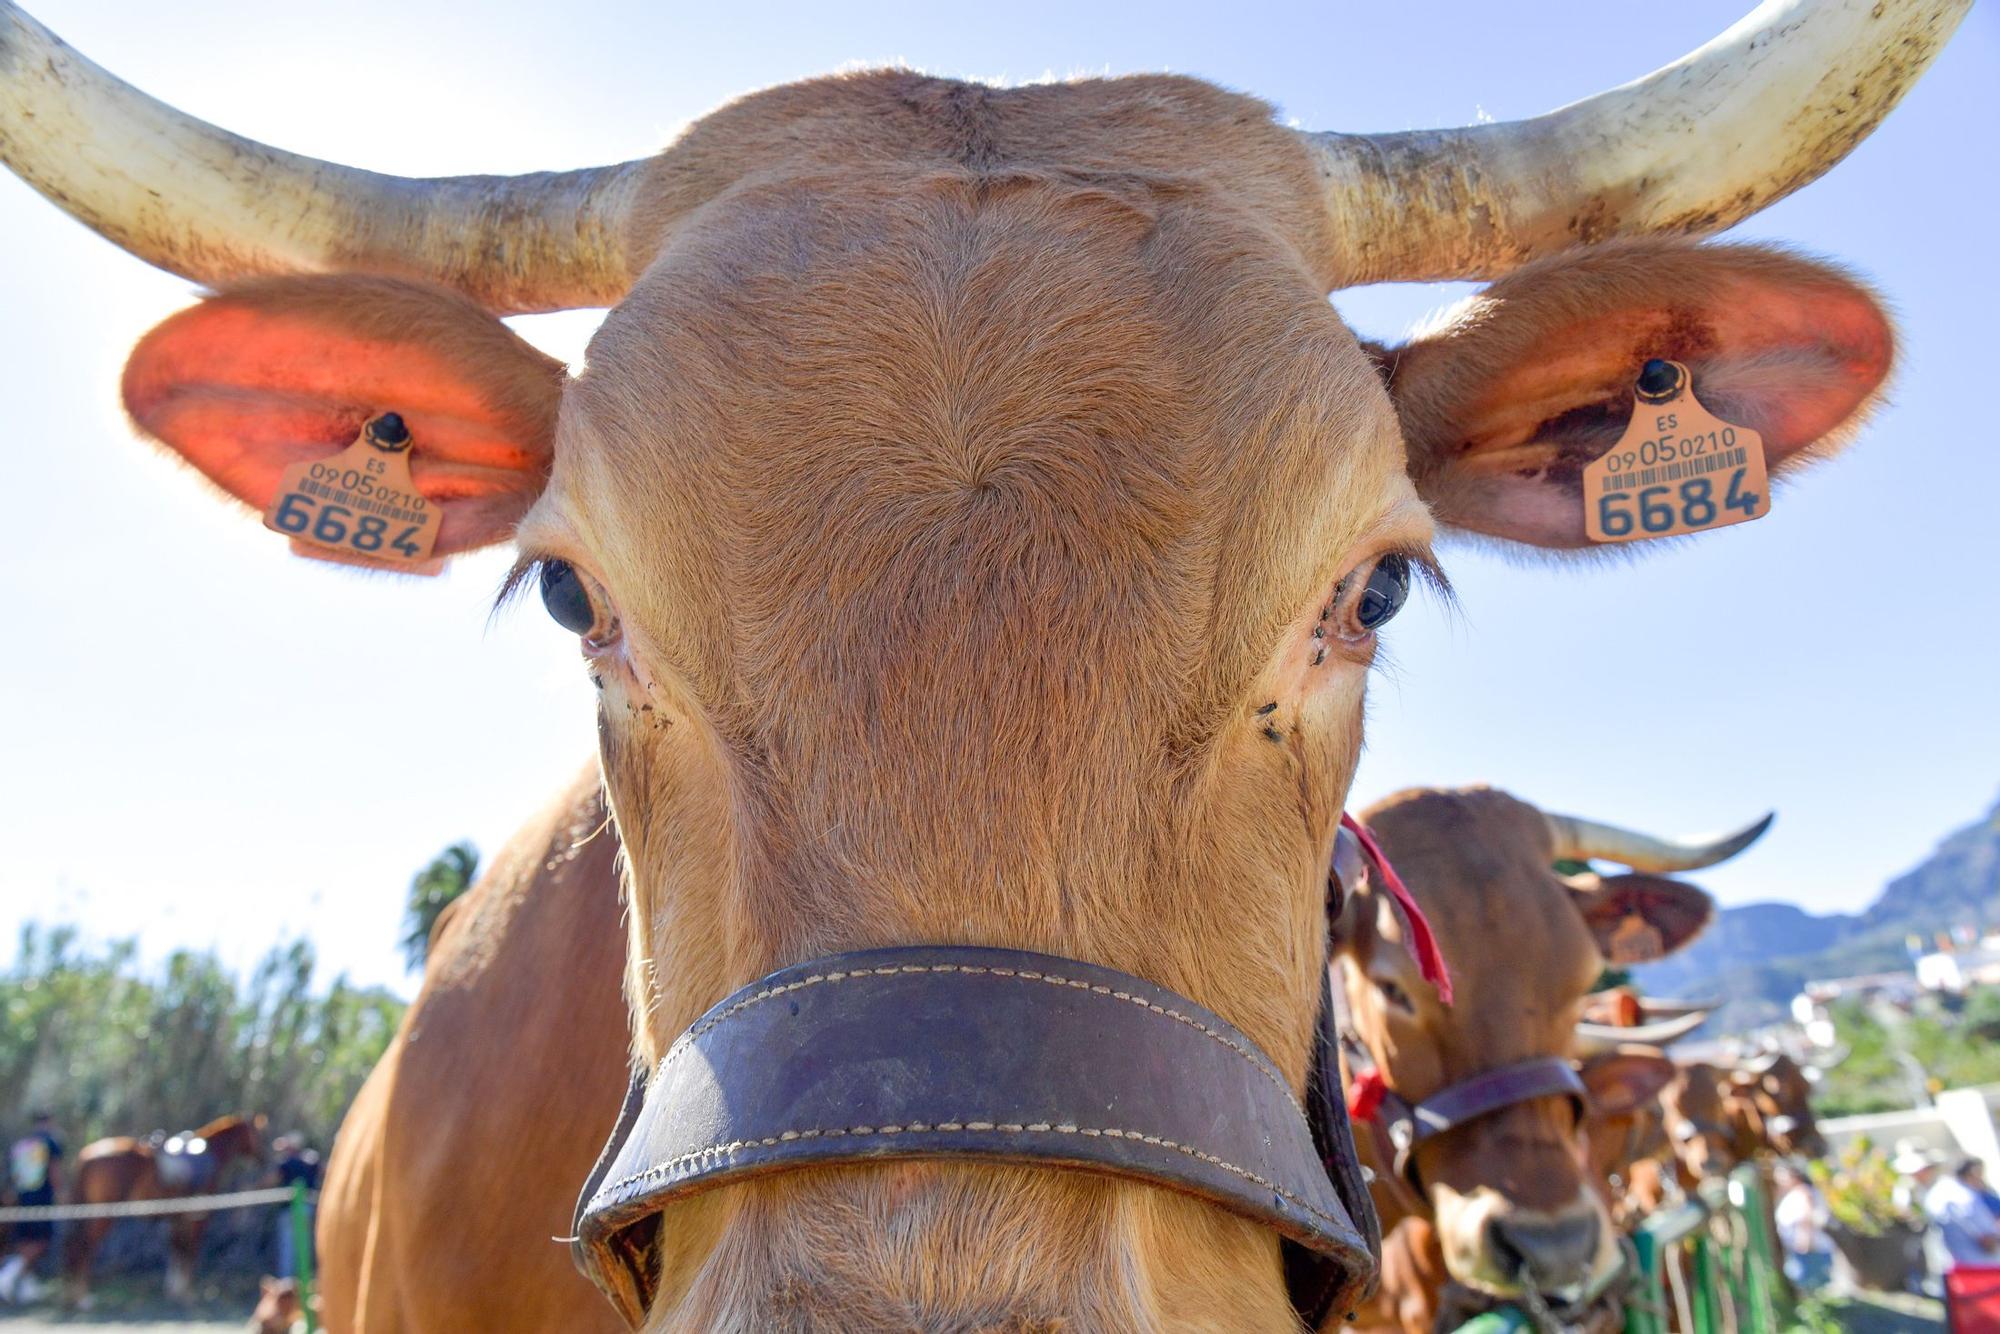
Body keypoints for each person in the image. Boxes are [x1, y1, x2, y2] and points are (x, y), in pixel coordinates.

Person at [0, 1112, 65, 1303]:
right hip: (41, 1201)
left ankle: (26, 1288)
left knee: (26, 1242)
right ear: (49, 1121)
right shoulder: (50, 1143)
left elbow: (14, 1175)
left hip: (23, 1200)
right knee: (41, 1242)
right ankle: (7, 1276)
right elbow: (54, 1171)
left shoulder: (23, 1143)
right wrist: (61, 1192)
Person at [1923, 1156, 2000, 1270]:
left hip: (1950, 1268)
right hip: (1981, 1270)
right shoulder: (1966, 1198)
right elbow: (1988, 1243)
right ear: (1973, 1173)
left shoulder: (1935, 1193)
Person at [265, 1134, 322, 1279]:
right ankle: (303, 1280)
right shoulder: (310, 1160)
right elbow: (324, 1171)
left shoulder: (287, 1162)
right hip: (308, 1209)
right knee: (304, 1245)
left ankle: (287, 1283)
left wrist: (254, 1186)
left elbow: (273, 1178)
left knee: (287, 1247)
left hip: (289, 1210)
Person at [1773, 1160, 1834, 1289]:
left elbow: (1805, 1219)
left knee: (1811, 1287)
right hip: (1804, 1251)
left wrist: (1804, 1245)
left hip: (1809, 1251)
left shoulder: (1803, 1194)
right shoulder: (1797, 1193)